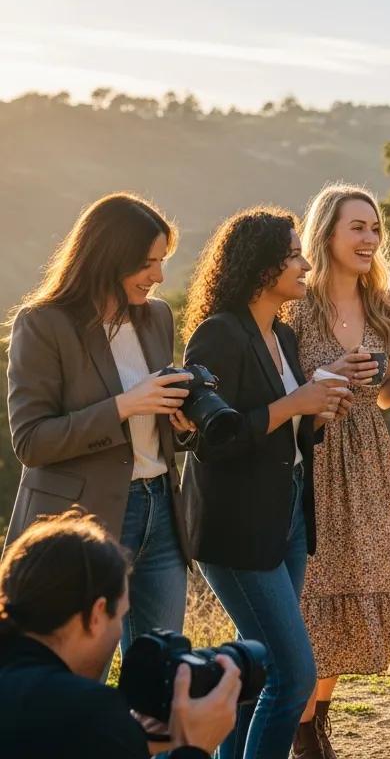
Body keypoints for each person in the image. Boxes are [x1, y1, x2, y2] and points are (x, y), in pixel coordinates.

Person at [180, 207, 350, 759]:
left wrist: (316, 415)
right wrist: (294, 404)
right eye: (295, 255)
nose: (306, 265)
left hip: (288, 514)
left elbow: (287, 429)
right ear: (261, 266)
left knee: (255, 668)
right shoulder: (218, 335)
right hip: (236, 526)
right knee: (294, 676)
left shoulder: (283, 335)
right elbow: (212, 440)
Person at [283, 184, 390, 759]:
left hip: (368, 461)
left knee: (350, 590)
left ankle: (318, 721)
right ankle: (303, 730)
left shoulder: (383, 305)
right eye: (358, 227)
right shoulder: (295, 306)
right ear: (326, 232)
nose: (370, 238)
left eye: (375, 228)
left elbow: (385, 394)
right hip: (312, 457)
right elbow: (281, 387)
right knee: (311, 595)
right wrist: (327, 376)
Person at [4, 192, 196, 662]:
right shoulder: (43, 324)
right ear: (109, 257)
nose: (159, 276)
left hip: (161, 512)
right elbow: (31, 441)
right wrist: (123, 407)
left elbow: (157, 428)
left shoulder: (157, 317)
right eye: (148, 264)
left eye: (162, 261)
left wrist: (183, 426)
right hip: (81, 522)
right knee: (75, 672)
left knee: (161, 670)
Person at [0, 508, 240, 759]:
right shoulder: (87, 711)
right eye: (120, 616)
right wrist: (195, 747)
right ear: (97, 614)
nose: (119, 630)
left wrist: (133, 743)